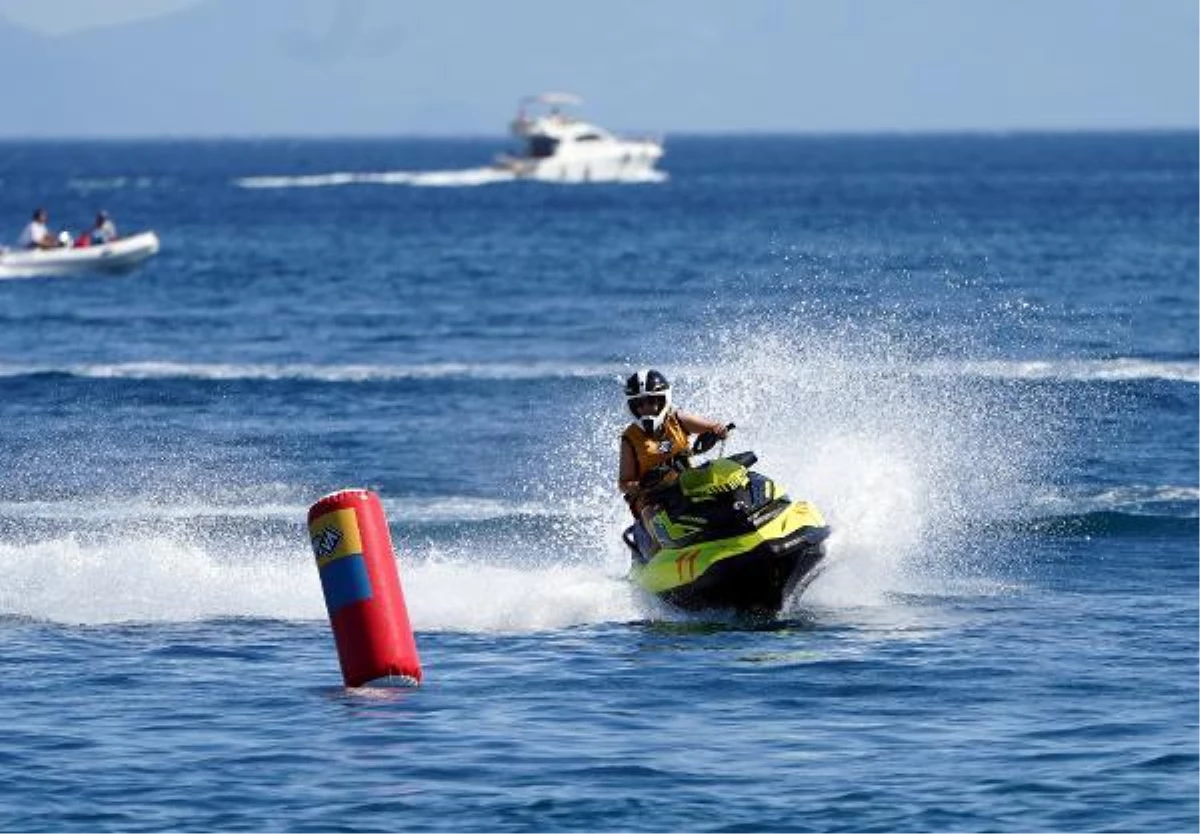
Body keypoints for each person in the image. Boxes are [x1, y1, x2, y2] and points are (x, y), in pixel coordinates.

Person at [618, 369, 730, 545]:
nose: (645, 408)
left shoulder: (677, 420)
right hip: (652, 496)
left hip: (686, 482)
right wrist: (641, 485)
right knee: (650, 513)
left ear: (663, 399)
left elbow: (713, 427)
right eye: (639, 403)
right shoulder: (629, 438)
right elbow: (623, 483)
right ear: (633, 406)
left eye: (651, 401)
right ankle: (663, 552)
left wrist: (719, 431)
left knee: (720, 486)